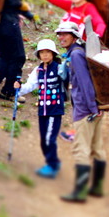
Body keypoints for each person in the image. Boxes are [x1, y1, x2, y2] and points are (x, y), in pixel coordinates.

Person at [55, 19, 107, 202]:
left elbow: (84, 83)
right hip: (94, 107)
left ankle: (80, 192)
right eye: (59, 34)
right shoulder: (77, 52)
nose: (61, 37)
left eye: (65, 33)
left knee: (81, 149)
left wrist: (92, 109)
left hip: (86, 110)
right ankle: (98, 188)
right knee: (97, 148)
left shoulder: (76, 55)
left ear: (74, 35)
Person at [13, 37, 69, 179]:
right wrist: (18, 89)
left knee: (50, 138)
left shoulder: (59, 68)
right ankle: (52, 162)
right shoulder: (37, 71)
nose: (44, 55)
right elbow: (30, 86)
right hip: (42, 110)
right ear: (38, 55)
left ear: (53, 54)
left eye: (48, 52)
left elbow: (69, 80)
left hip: (55, 109)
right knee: (44, 139)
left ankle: (52, 165)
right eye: (42, 52)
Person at [31, 0, 105, 42]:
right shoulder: (70, 5)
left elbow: (100, 23)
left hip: (83, 45)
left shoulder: (88, 8)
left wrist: (97, 35)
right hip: (69, 43)